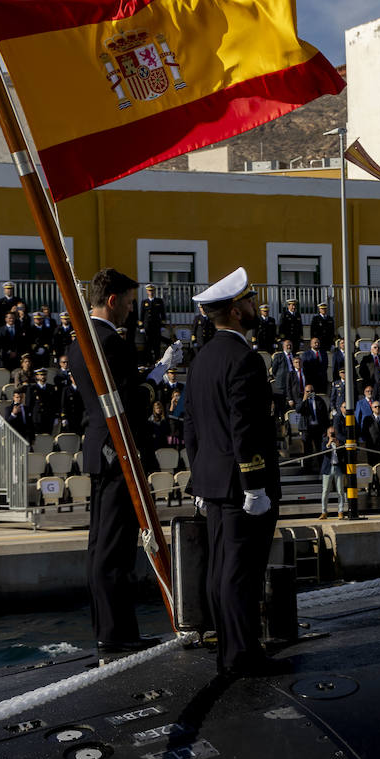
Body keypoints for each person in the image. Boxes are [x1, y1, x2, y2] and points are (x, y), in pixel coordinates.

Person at [69, 267, 178, 655]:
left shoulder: (80, 341)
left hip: (100, 451)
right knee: (114, 550)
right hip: (119, 454)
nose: (132, 310)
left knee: (100, 546)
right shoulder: (110, 343)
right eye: (129, 303)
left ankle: (109, 631)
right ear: (112, 300)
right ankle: (117, 635)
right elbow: (130, 401)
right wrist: (160, 372)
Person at [183, 266, 285, 676]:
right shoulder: (245, 359)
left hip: (213, 481)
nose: (256, 305)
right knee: (241, 572)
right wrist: (254, 486)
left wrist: (199, 480)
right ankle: (242, 656)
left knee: (220, 570)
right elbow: (246, 429)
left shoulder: (201, 359)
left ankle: (228, 651)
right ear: (237, 311)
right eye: (250, 300)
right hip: (241, 485)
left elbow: (191, 426)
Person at [319, 425, 348, 518]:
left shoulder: (340, 442)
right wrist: (329, 443)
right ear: (327, 434)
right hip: (328, 468)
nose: (332, 434)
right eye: (330, 433)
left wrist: (338, 445)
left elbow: (343, 453)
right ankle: (324, 512)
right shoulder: (324, 442)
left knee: (340, 491)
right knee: (325, 491)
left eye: (333, 433)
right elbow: (323, 452)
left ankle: (340, 511)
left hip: (338, 467)